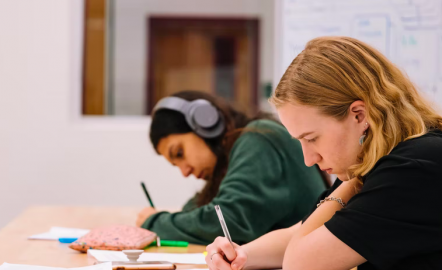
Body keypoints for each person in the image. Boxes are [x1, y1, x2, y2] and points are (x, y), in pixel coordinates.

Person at [206, 36, 442, 270]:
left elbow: (301, 262)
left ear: (359, 115)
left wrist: (354, 181)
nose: (309, 159)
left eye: (312, 139)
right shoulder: (376, 156)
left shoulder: (413, 167)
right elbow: (307, 232)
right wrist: (240, 254)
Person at [136, 90, 327, 245]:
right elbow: (193, 214)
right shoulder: (229, 161)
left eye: (179, 153)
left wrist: (153, 222)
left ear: (205, 122)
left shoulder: (259, 138)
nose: (185, 172)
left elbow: (228, 221)